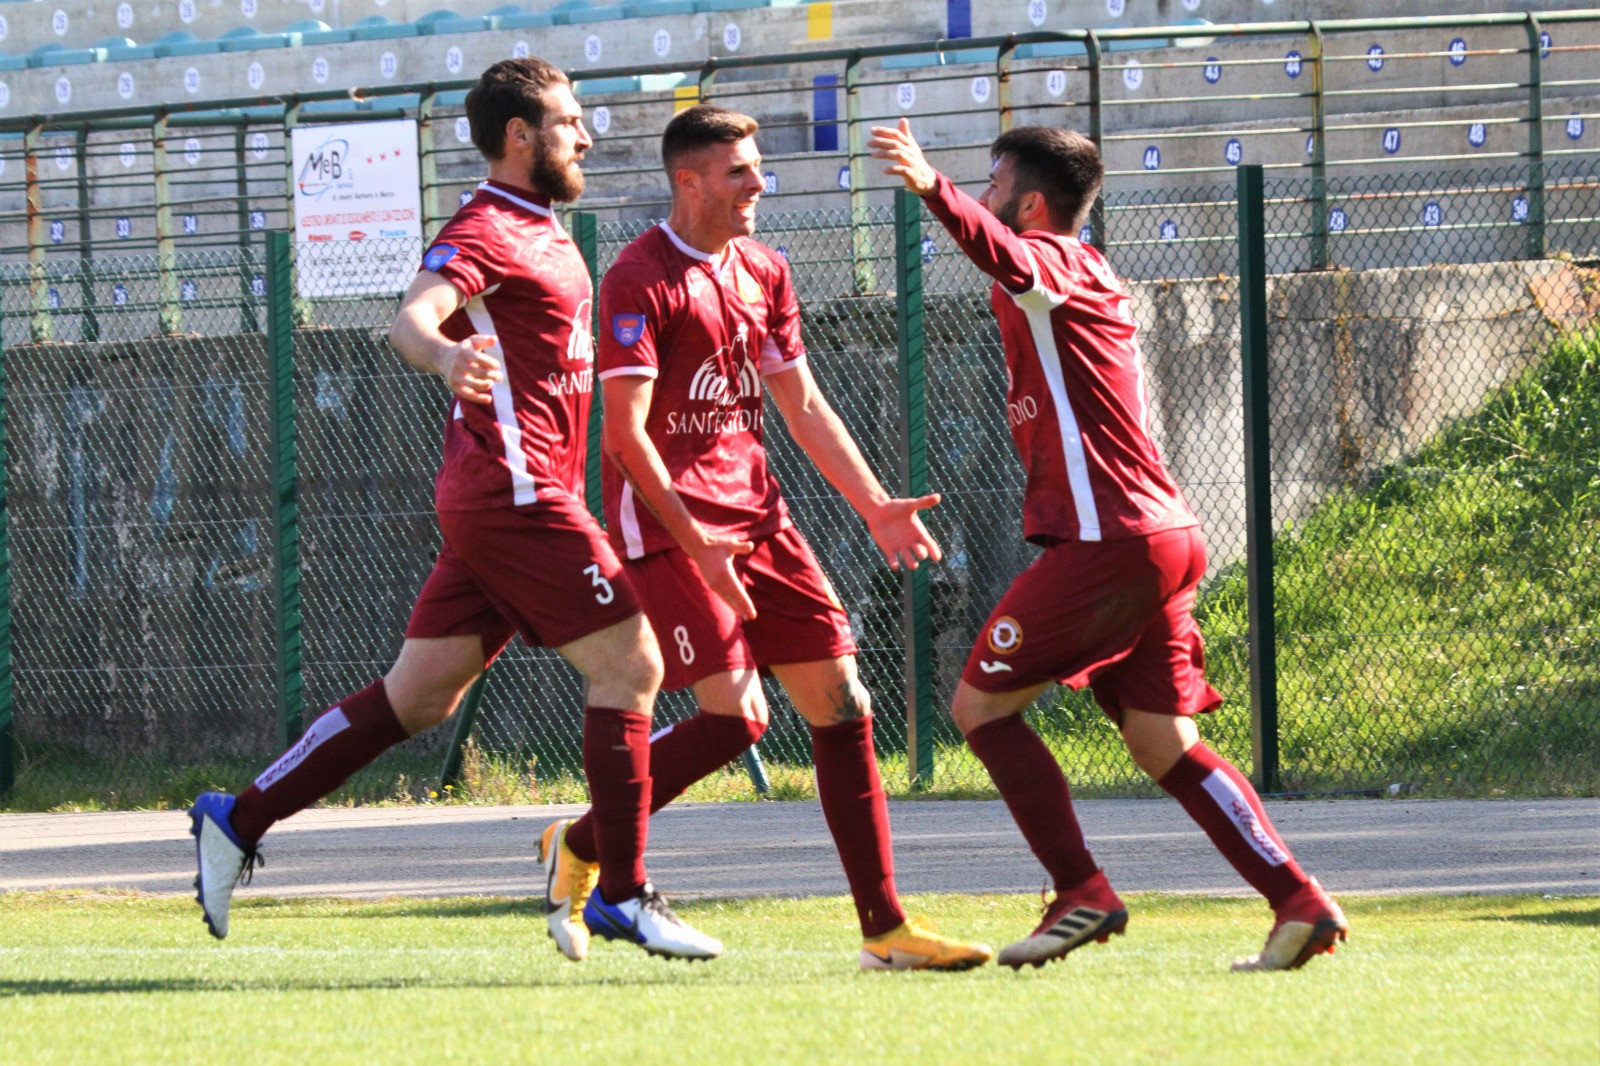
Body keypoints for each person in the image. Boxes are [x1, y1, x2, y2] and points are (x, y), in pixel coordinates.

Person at [188, 58, 720, 961]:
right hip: (516, 495)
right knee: (632, 664)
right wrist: (441, 358)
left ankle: (236, 816)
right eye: (569, 121)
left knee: (419, 698)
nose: (586, 135)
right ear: (522, 137)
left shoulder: (547, 229)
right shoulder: (485, 226)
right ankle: (622, 892)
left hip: (498, 499)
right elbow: (411, 319)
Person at [867, 118, 1349, 972]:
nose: (982, 199)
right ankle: (1298, 901)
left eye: (991, 186)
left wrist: (931, 188)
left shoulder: (1050, 261)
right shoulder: (1086, 274)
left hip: (1109, 542)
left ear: (1034, 203)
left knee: (980, 708)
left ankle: (1081, 889)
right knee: (1165, 742)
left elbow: (1007, 256)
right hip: (1157, 534)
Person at [537, 105, 991, 971]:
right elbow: (623, 438)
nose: (759, 184)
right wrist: (698, 542)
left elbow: (804, 403)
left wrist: (874, 504)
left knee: (843, 703)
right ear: (689, 180)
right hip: (672, 529)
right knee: (738, 717)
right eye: (739, 170)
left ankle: (885, 930)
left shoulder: (765, 271)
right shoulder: (639, 276)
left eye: (759, 167)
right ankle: (592, 847)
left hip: (761, 518)